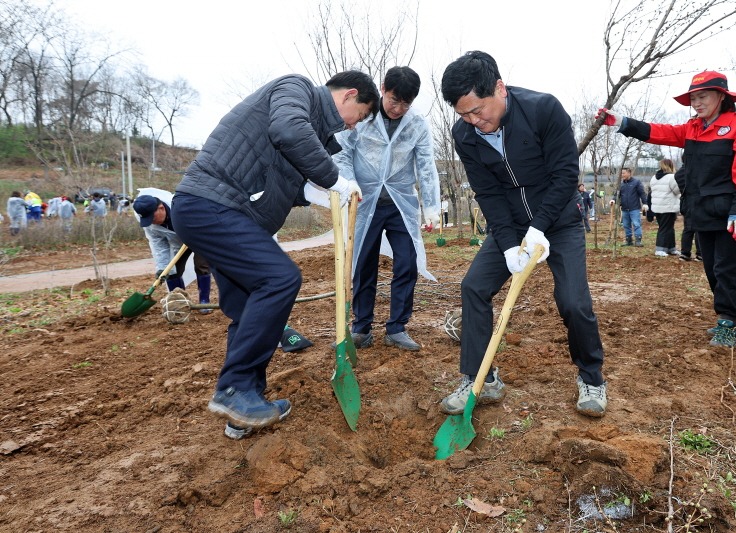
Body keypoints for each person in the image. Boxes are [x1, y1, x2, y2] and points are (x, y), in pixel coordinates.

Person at [170, 71, 379, 437]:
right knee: (280, 278)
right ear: (349, 96)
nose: (353, 126)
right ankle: (234, 389)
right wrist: (335, 179)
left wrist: (321, 192)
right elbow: (288, 131)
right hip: (213, 205)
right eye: (359, 115)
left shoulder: (313, 130)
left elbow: (284, 180)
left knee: (246, 308)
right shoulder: (295, 89)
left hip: (219, 211)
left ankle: (245, 406)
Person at [438, 51, 607, 418]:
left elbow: (565, 176)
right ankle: (479, 378)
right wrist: (511, 241)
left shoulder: (543, 110)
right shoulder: (464, 135)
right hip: (510, 226)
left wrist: (540, 228)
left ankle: (591, 377)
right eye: (463, 114)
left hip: (558, 222)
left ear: (499, 88)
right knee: (474, 287)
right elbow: (488, 192)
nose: (474, 120)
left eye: (478, 110)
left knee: (574, 302)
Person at [597, 70, 736, 347]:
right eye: (693, 98)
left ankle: (727, 321)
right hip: (702, 211)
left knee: (727, 268)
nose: (697, 103)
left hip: (731, 213)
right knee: (713, 268)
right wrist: (622, 122)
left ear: (721, 96)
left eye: (703, 96)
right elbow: (659, 132)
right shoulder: (693, 128)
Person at [333, 66, 441, 352]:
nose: (398, 108)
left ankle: (396, 328)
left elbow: (426, 166)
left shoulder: (417, 124)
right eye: (394, 100)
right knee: (362, 264)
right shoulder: (362, 116)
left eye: (406, 103)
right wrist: (350, 183)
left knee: (406, 264)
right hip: (363, 201)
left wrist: (431, 206)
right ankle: (361, 328)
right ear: (383, 89)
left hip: (400, 204)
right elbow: (342, 152)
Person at [132, 191, 215, 306]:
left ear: (161, 208)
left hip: (199, 237)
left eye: (152, 217)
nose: (151, 222)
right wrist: (162, 268)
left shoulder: (182, 207)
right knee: (171, 271)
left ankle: (204, 301)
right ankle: (180, 302)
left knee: (201, 265)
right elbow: (158, 243)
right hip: (178, 243)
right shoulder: (149, 223)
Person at [649, 158, 681, 257]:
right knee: (665, 228)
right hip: (668, 206)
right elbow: (677, 190)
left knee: (668, 227)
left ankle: (671, 248)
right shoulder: (671, 177)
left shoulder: (654, 177)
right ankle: (660, 248)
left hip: (657, 207)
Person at [609, 168, 647, 246]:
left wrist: (645, 203)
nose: (622, 175)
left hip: (634, 208)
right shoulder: (621, 185)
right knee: (626, 225)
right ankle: (629, 240)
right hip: (625, 209)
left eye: (624, 173)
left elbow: (642, 194)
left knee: (636, 224)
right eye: (621, 173)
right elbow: (617, 195)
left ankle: (638, 240)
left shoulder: (636, 182)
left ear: (629, 173)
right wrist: (613, 200)